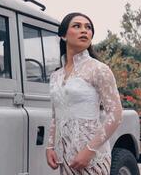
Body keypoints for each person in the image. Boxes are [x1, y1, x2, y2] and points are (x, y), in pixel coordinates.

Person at [45, 12, 122, 174]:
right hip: (65, 155)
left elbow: (115, 114)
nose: (84, 31)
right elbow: (55, 115)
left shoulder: (98, 69)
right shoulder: (55, 75)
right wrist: (50, 146)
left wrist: (89, 150)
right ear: (63, 35)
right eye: (77, 26)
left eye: (88, 27)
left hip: (92, 156)